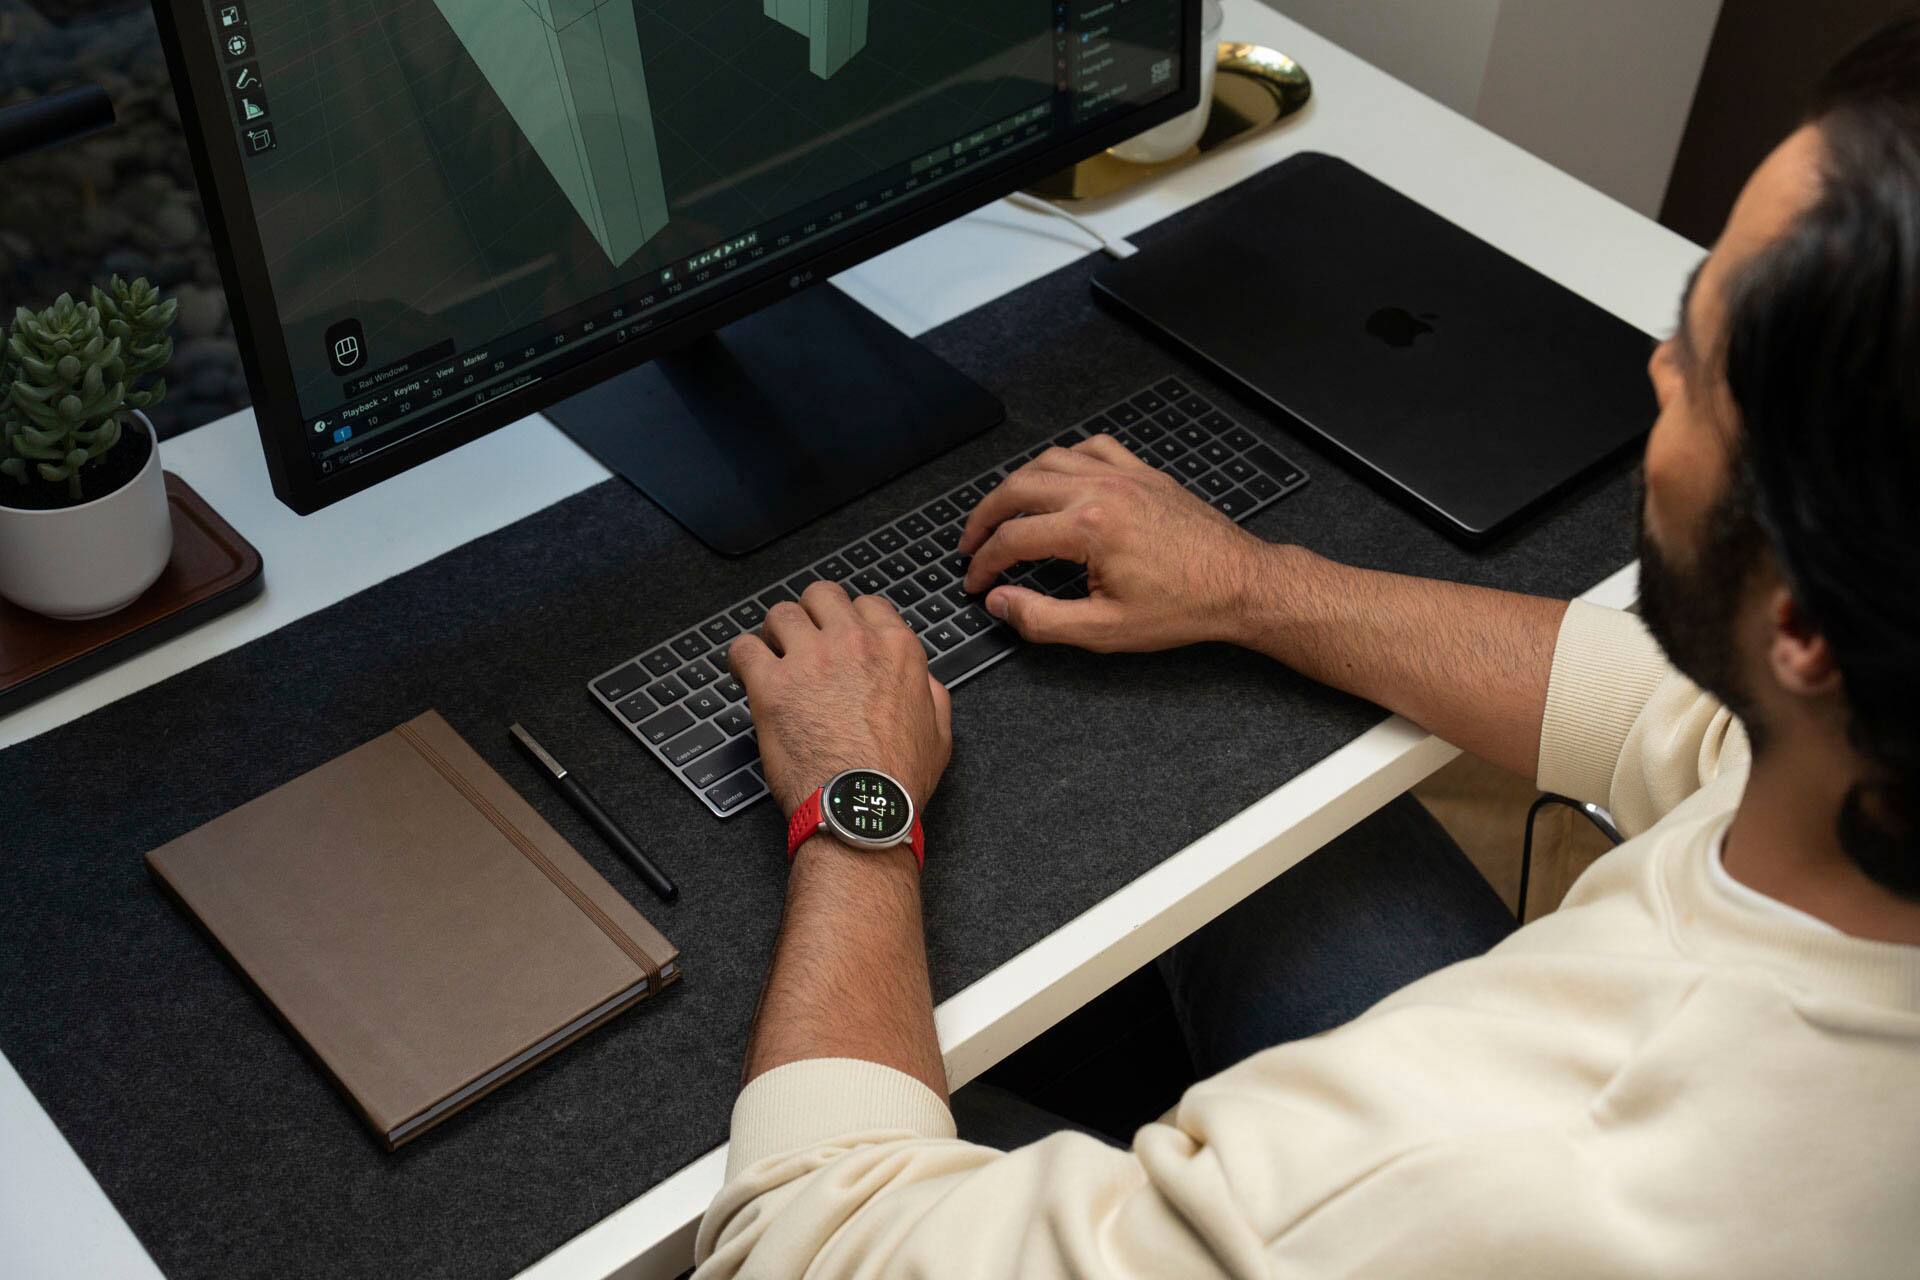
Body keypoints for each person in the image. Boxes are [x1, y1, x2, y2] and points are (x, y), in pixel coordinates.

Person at [697, 20, 1920, 1277]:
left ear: (1805, 630)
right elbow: (1677, 715)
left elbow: (810, 1234)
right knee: (1283, 838)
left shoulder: (1473, 1155)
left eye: (1704, 366)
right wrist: (1252, 585)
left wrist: (858, 800)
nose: (1658, 365)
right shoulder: (1869, 731)